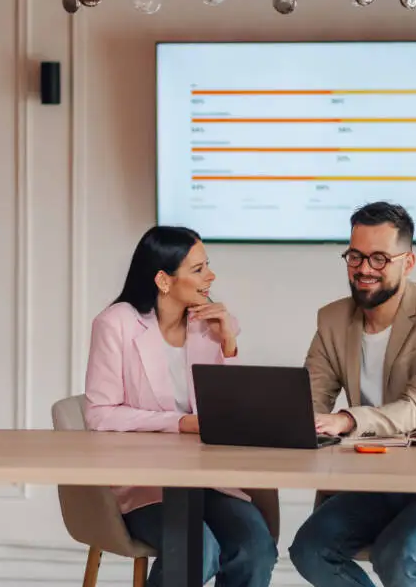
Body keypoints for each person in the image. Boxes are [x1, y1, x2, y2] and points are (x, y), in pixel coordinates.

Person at [289, 201, 416, 587]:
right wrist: (293, 420)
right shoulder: (333, 320)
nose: (365, 269)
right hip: (377, 480)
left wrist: (347, 419)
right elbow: (310, 398)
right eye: (355, 256)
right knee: (309, 549)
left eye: (380, 258)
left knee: (398, 555)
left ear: (408, 262)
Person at [83, 225, 277, 587]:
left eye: (208, 265)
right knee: (196, 549)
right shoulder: (116, 325)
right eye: (198, 269)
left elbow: (231, 411)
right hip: (145, 485)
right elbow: (100, 414)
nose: (211, 276)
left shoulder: (212, 324)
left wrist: (228, 345)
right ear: (163, 279)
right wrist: (181, 422)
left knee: (256, 549)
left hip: (208, 481)